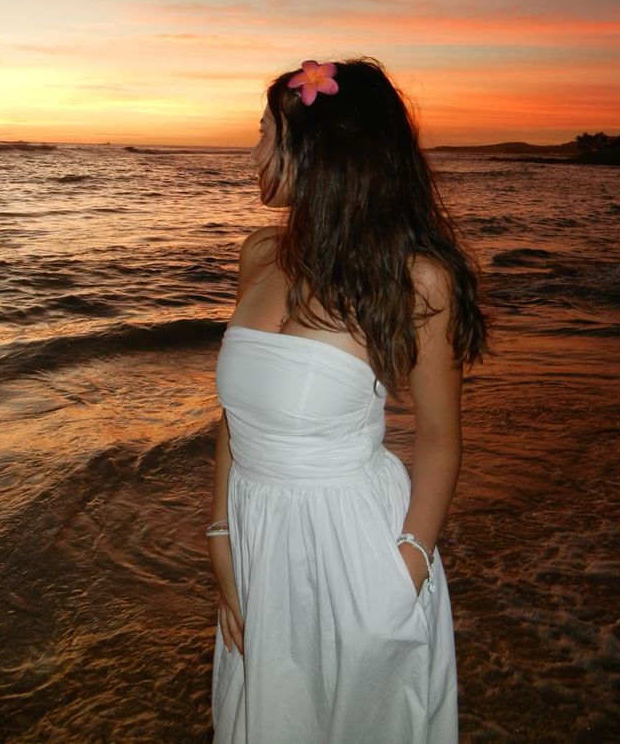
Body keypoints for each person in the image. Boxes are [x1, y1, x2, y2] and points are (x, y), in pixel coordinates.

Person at [208, 58, 488, 743]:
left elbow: (439, 438)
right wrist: (219, 537)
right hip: (258, 540)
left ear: (320, 150)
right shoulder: (258, 254)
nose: (254, 151)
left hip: (358, 555)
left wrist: (402, 575)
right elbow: (236, 418)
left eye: (267, 132)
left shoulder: (417, 279)